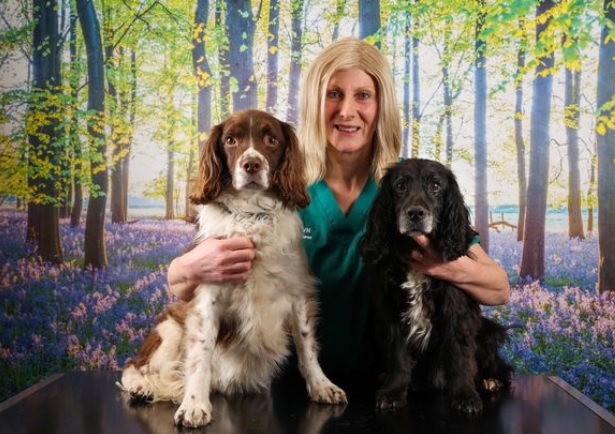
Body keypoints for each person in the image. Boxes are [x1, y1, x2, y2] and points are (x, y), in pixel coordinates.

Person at [167, 37, 510, 377]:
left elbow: (498, 287)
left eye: (363, 95)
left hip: (386, 385)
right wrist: (187, 266)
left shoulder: (407, 185)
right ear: (315, 102)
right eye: (334, 94)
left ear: (381, 106)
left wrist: (443, 267)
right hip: (291, 386)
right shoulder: (282, 185)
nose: (347, 111)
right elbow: (184, 285)